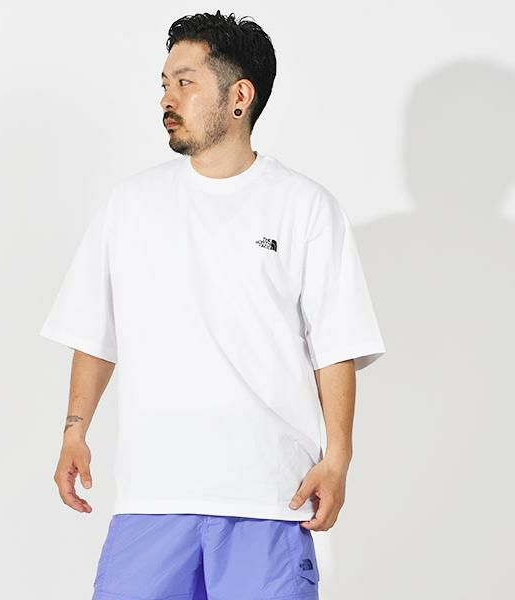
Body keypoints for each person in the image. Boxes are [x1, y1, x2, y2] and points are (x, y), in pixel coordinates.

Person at [40, 10, 386, 600]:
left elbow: (336, 345)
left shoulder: (303, 207)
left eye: (185, 82)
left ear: (239, 97)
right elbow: (95, 330)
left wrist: (339, 459)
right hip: (152, 497)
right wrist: (75, 431)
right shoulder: (130, 205)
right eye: (164, 84)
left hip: (270, 497)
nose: (166, 98)